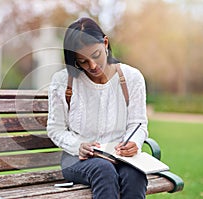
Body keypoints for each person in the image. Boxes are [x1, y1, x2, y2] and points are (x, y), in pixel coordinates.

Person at [47, 17, 148, 198]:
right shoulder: (63, 82)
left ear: (106, 43)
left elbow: (138, 124)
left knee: (135, 174)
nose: (92, 66)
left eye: (96, 55)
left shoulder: (132, 78)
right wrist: (79, 146)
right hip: (78, 159)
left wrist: (134, 143)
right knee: (103, 169)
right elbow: (55, 128)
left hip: (119, 156)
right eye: (82, 61)